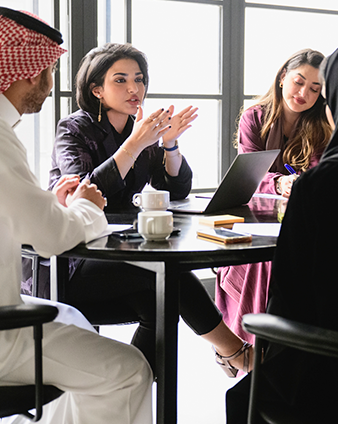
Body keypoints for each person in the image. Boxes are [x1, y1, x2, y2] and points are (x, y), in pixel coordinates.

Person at [0, 6, 153, 424]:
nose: (51, 84)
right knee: (129, 371)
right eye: (49, 71)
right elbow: (52, 239)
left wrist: (49, 202)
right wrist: (86, 206)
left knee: (73, 319)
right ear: (30, 72)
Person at [32, 42, 253, 377]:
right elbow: (83, 192)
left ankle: (130, 389)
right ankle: (236, 352)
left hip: (119, 252)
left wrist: (169, 144)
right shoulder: (73, 129)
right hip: (71, 261)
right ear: (97, 90)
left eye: (139, 79)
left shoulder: (140, 130)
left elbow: (175, 189)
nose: (134, 88)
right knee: (169, 275)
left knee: (161, 303)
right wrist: (135, 143)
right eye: (120, 80)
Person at [226, 40, 338, 423]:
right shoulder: (258, 118)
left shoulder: (322, 186)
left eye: (325, 94)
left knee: (242, 398)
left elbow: (289, 297)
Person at [216, 48, 333, 342]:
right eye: (298, 81)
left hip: (297, 215)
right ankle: (249, 342)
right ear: (282, 77)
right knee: (263, 258)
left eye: (315, 88)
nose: (303, 93)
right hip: (255, 214)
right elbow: (249, 174)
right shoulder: (254, 117)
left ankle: (281, 342)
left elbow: (319, 174)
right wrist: (281, 183)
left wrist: (302, 184)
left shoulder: (320, 125)